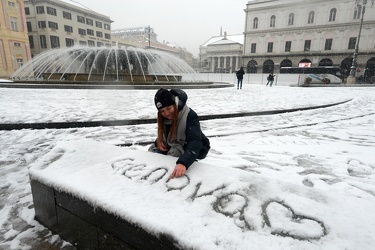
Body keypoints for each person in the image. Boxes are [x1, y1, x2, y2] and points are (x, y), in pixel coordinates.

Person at [148, 88, 210, 179]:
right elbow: (167, 136)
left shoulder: (189, 115)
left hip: (197, 147)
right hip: (175, 145)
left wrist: (183, 163)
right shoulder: (164, 119)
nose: (166, 113)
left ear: (175, 104)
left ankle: (188, 159)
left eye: (169, 108)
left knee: (180, 159)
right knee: (154, 152)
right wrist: (158, 143)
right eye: (162, 111)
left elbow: (195, 141)